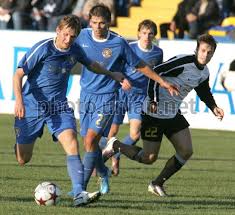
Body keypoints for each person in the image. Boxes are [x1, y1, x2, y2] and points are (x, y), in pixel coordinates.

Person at [13, 14, 127, 207]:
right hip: (32, 106)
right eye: (65, 35)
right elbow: (18, 74)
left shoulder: (75, 50)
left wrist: (111, 74)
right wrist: (19, 101)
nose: (68, 40)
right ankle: (18, 144)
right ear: (58, 31)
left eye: (73, 37)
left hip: (58, 106)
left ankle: (78, 193)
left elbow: (92, 65)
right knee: (23, 159)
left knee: (72, 144)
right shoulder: (43, 48)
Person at [74, 4, 178, 195]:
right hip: (86, 94)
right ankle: (104, 171)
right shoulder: (81, 36)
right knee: (89, 144)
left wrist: (161, 82)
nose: (98, 26)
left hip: (108, 96)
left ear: (109, 22)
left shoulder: (119, 43)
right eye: (94, 22)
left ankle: (80, 189)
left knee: (91, 140)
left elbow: (139, 65)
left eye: (102, 23)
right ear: (90, 22)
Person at [103, 34, 224, 197]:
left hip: (173, 113)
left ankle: (156, 183)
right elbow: (156, 72)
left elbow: (203, 91)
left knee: (186, 151)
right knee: (149, 158)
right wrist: (153, 99)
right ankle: (116, 145)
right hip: (153, 113)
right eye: (203, 50)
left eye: (209, 52)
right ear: (197, 49)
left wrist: (213, 107)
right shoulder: (184, 61)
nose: (205, 55)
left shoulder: (204, 72)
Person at [101, 19, 163, 176]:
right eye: (144, 33)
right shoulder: (129, 47)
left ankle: (115, 152)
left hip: (140, 97)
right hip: (121, 93)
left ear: (154, 35)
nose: (147, 36)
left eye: (150, 34)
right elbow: (116, 67)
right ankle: (102, 160)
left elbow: (156, 76)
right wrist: (122, 79)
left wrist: (154, 98)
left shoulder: (158, 52)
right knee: (112, 131)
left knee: (135, 134)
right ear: (138, 33)